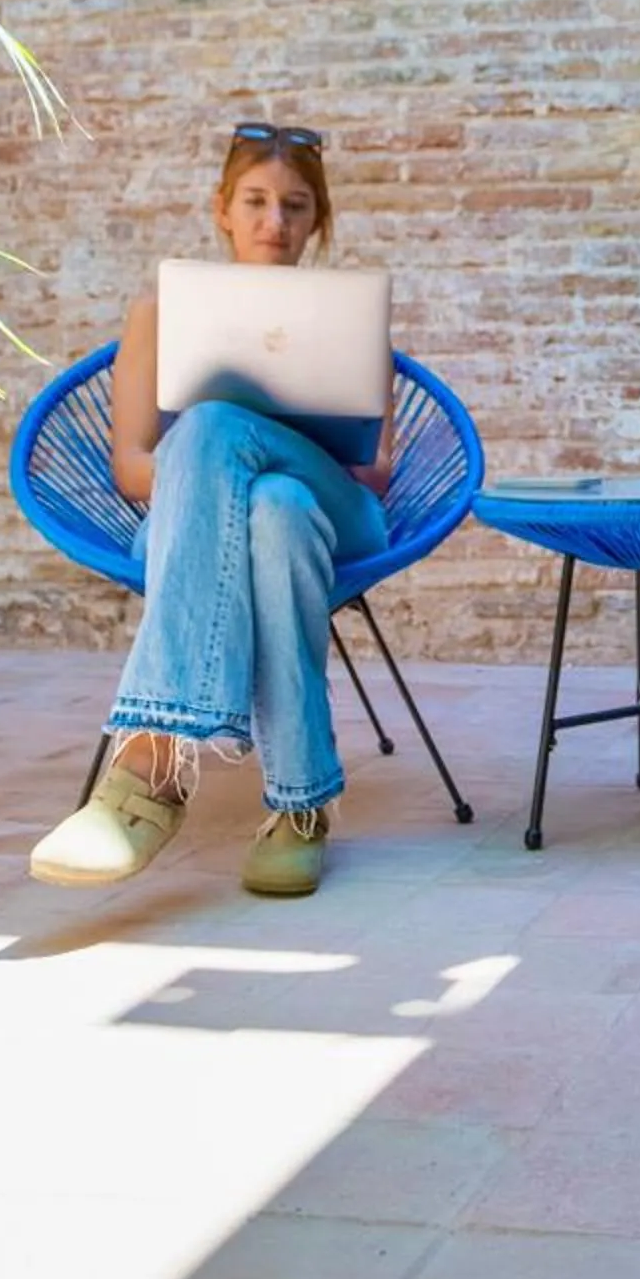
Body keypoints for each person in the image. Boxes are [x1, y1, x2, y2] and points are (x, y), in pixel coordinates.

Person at [27, 122, 393, 899]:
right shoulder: (160, 314)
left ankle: (154, 761)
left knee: (221, 432)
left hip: (343, 509)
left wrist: (242, 439)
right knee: (273, 512)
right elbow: (131, 466)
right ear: (221, 209)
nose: (275, 222)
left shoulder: (344, 315)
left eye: (296, 206)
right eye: (257, 201)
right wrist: (227, 469)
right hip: (229, 514)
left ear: (317, 220)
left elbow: (377, 467)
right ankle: (302, 805)